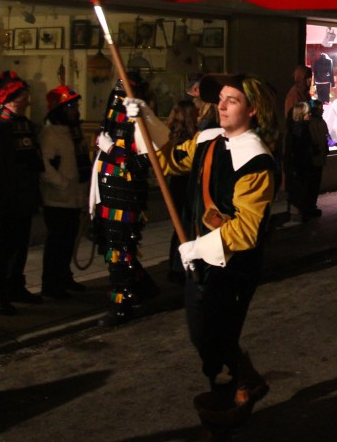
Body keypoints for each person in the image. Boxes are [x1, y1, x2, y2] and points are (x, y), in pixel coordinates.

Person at [124, 73, 279, 427]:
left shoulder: (257, 160)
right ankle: (241, 383)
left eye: (233, 100)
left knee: (216, 332)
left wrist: (198, 246)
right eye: (221, 99)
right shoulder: (206, 140)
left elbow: (247, 229)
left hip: (234, 266)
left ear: (253, 110)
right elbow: (167, 162)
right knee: (204, 332)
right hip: (199, 260)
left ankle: (230, 401)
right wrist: (143, 118)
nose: (221, 106)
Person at [91, 78, 163, 326]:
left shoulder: (140, 120)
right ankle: (144, 288)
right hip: (106, 194)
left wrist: (112, 150)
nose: (116, 102)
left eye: (121, 97)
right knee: (112, 248)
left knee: (120, 252)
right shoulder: (112, 121)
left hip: (125, 196)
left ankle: (122, 305)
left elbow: (144, 162)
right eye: (115, 96)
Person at [0, 71, 44, 315]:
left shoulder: (26, 126)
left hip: (26, 196)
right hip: (8, 199)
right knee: (5, 247)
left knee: (21, 246)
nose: (28, 102)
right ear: (9, 99)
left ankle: (15, 286)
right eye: (23, 97)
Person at [38, 85, 90, 299]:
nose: (74, 109)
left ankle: (64, 277)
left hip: (74, 197)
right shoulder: (50, 134)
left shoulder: (74, 132)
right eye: (70, 105)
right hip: (57, 199)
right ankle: (51, 284)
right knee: (57, 243)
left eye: (75, 105)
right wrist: (63, 183)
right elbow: (44, 166)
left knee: (69, 240)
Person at [166, 97, 200, 283]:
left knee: (181, 224)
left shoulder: (172, 133)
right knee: (184, 224)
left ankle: (175, 264)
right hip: (183, 182)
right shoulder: (189, 136)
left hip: (177, 182)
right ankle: (178, 266)